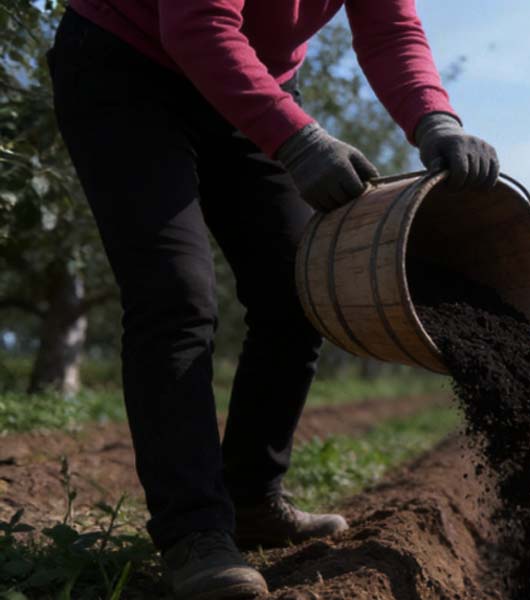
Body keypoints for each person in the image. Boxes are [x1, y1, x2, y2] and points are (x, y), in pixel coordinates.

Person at [47, 1, 499, 597]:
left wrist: (435, 118)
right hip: (128, 65)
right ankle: (194, 532)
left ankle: (252, 499)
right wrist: (298, 142)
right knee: (175, 295)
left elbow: (391, 29)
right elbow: (196, 24)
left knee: (299, 287)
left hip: (249, 76)